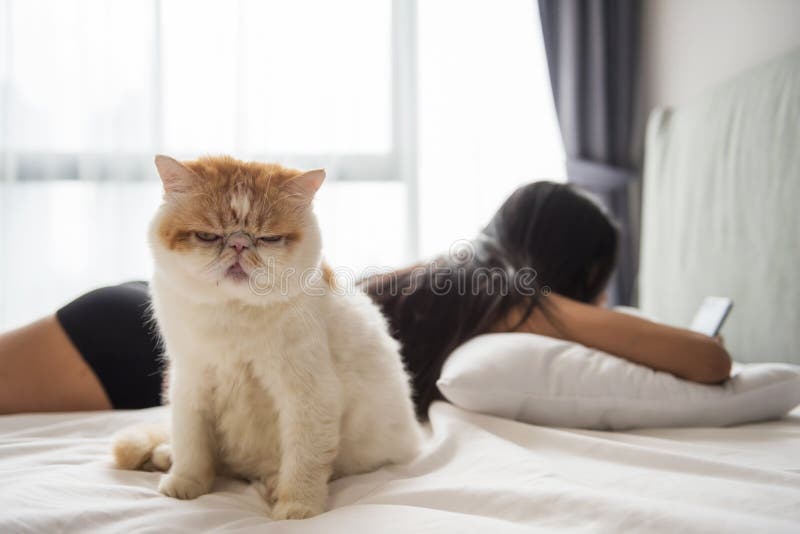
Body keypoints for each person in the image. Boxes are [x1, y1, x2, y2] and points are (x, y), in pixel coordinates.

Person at [0, 182, 731, 416]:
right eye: (599, 279)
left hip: (150, 315)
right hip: (143, 340)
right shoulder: (512, 294)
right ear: (575, 266)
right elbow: (708, 360)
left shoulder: (452, 275)